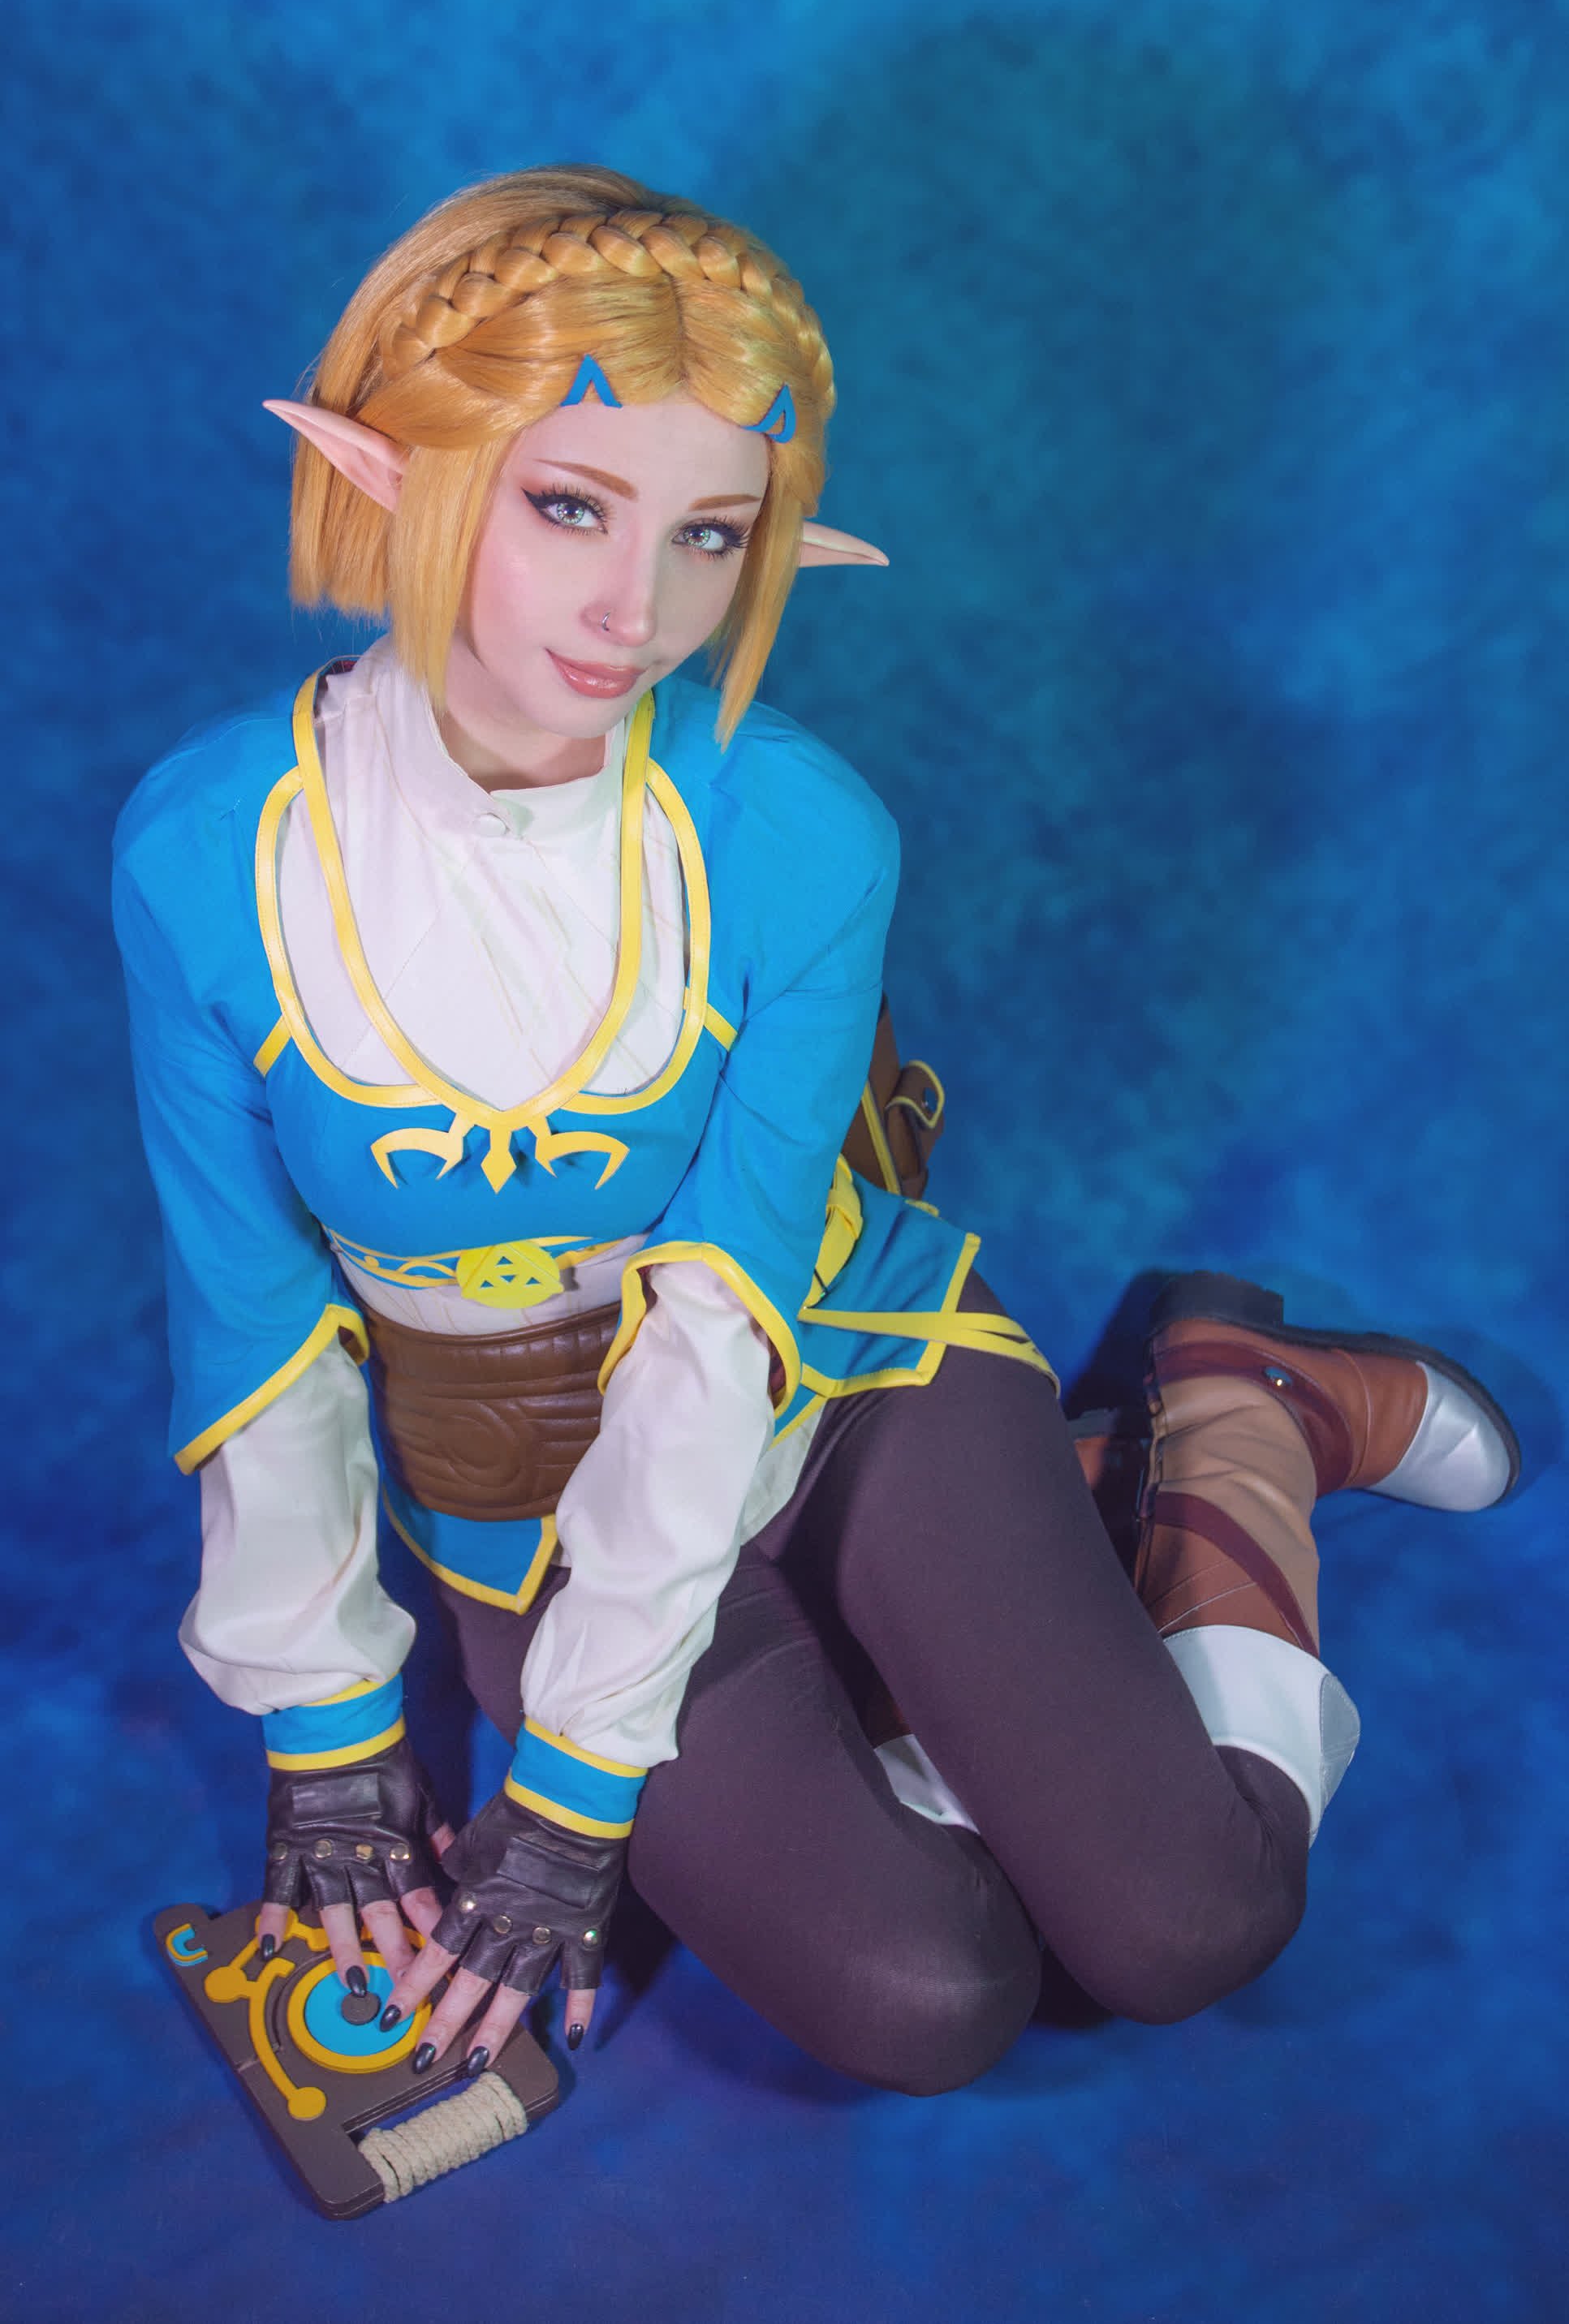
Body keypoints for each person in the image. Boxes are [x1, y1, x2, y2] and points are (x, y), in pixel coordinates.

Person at [114, 165, 1518, 2100]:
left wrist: (579, 1775)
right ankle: (1061, 1514)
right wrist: (332, 1732)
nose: (640, 608)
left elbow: (725, 1312)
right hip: (518, 1513)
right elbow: (252, 1307)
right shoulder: (205, 851)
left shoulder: (796, 828)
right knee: (930, 1997)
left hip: (832, 1381)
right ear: (388, 473)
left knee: (1180, 1921)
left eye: (710, 532)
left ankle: (1237, 1408)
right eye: (569, 506)